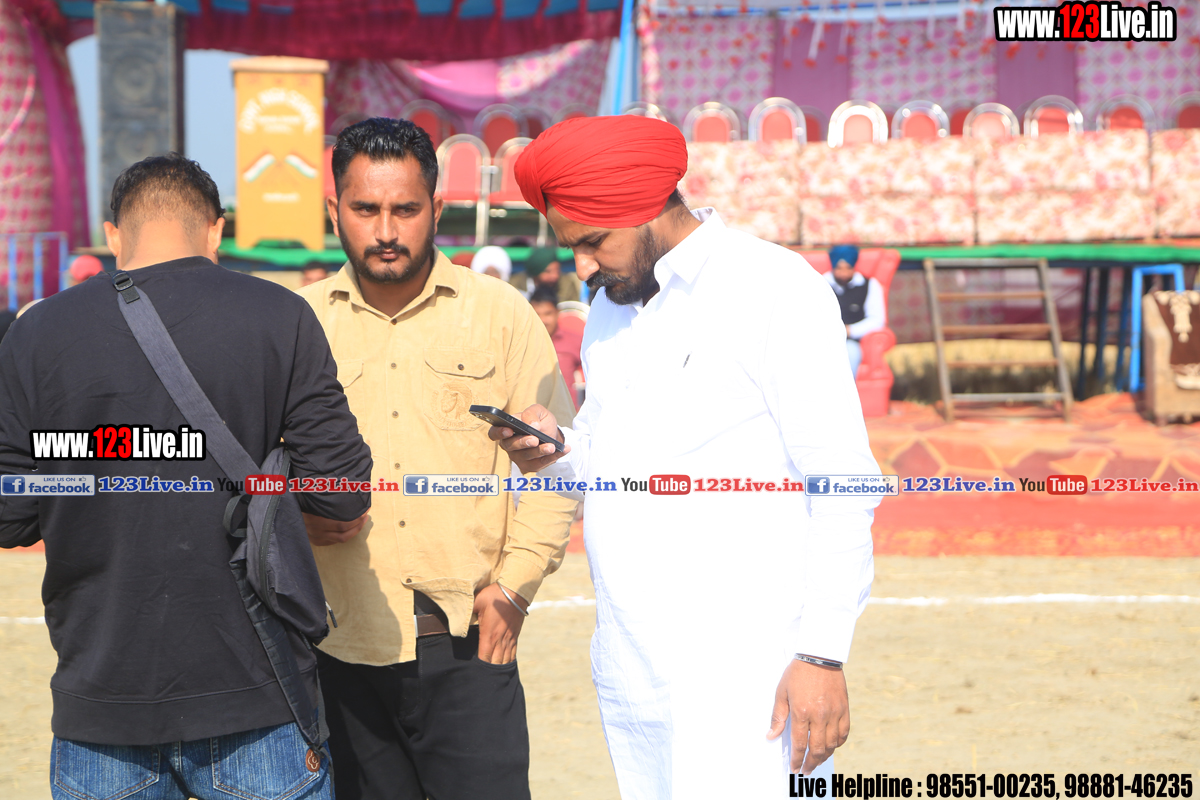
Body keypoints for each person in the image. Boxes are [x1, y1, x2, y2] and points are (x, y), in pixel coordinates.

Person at [491, 115, 881, 799]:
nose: (582, 266)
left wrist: (822, 654)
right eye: (573, 247)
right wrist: (555, 452)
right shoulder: (610, 309)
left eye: (592, 242)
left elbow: (843, 482)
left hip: (749, 668)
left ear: (645, 207)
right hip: (635, 663)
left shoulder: (771, 287)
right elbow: (608, 463)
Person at [0, 153, 373, 800]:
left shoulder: (37, 333)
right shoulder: (279, 314)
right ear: (216, 229)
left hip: (101, 699)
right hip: (255, 692)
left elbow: (10, 513)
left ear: (113, 234)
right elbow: (341, 492)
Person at [296, 117, 579, 800]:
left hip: (468, 649)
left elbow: (554, 464)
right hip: (337, 653)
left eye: (405, 209)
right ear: (335, 210)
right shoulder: (299, 325)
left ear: (437, 209)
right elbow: (261, 467)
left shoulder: (500, 316)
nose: (385, 230)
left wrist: (515, 589)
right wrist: (298, 516)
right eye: (365, 209)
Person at [825, 245, 886, 378]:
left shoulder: (869, 284)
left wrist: (850, 330)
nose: (844, 273)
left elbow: (877, 320)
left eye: (848, 268)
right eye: (839, 268)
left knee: (851, 354)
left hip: (850, 341)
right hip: (823, 339)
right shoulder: (820, 284)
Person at [529, 285, 583, 409]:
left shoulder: (575, 341)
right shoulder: (521, 344)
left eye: (548, 314)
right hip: (531, 415)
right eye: (537, 314)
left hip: (568, 414)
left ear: (557, 312)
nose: (543, 320)